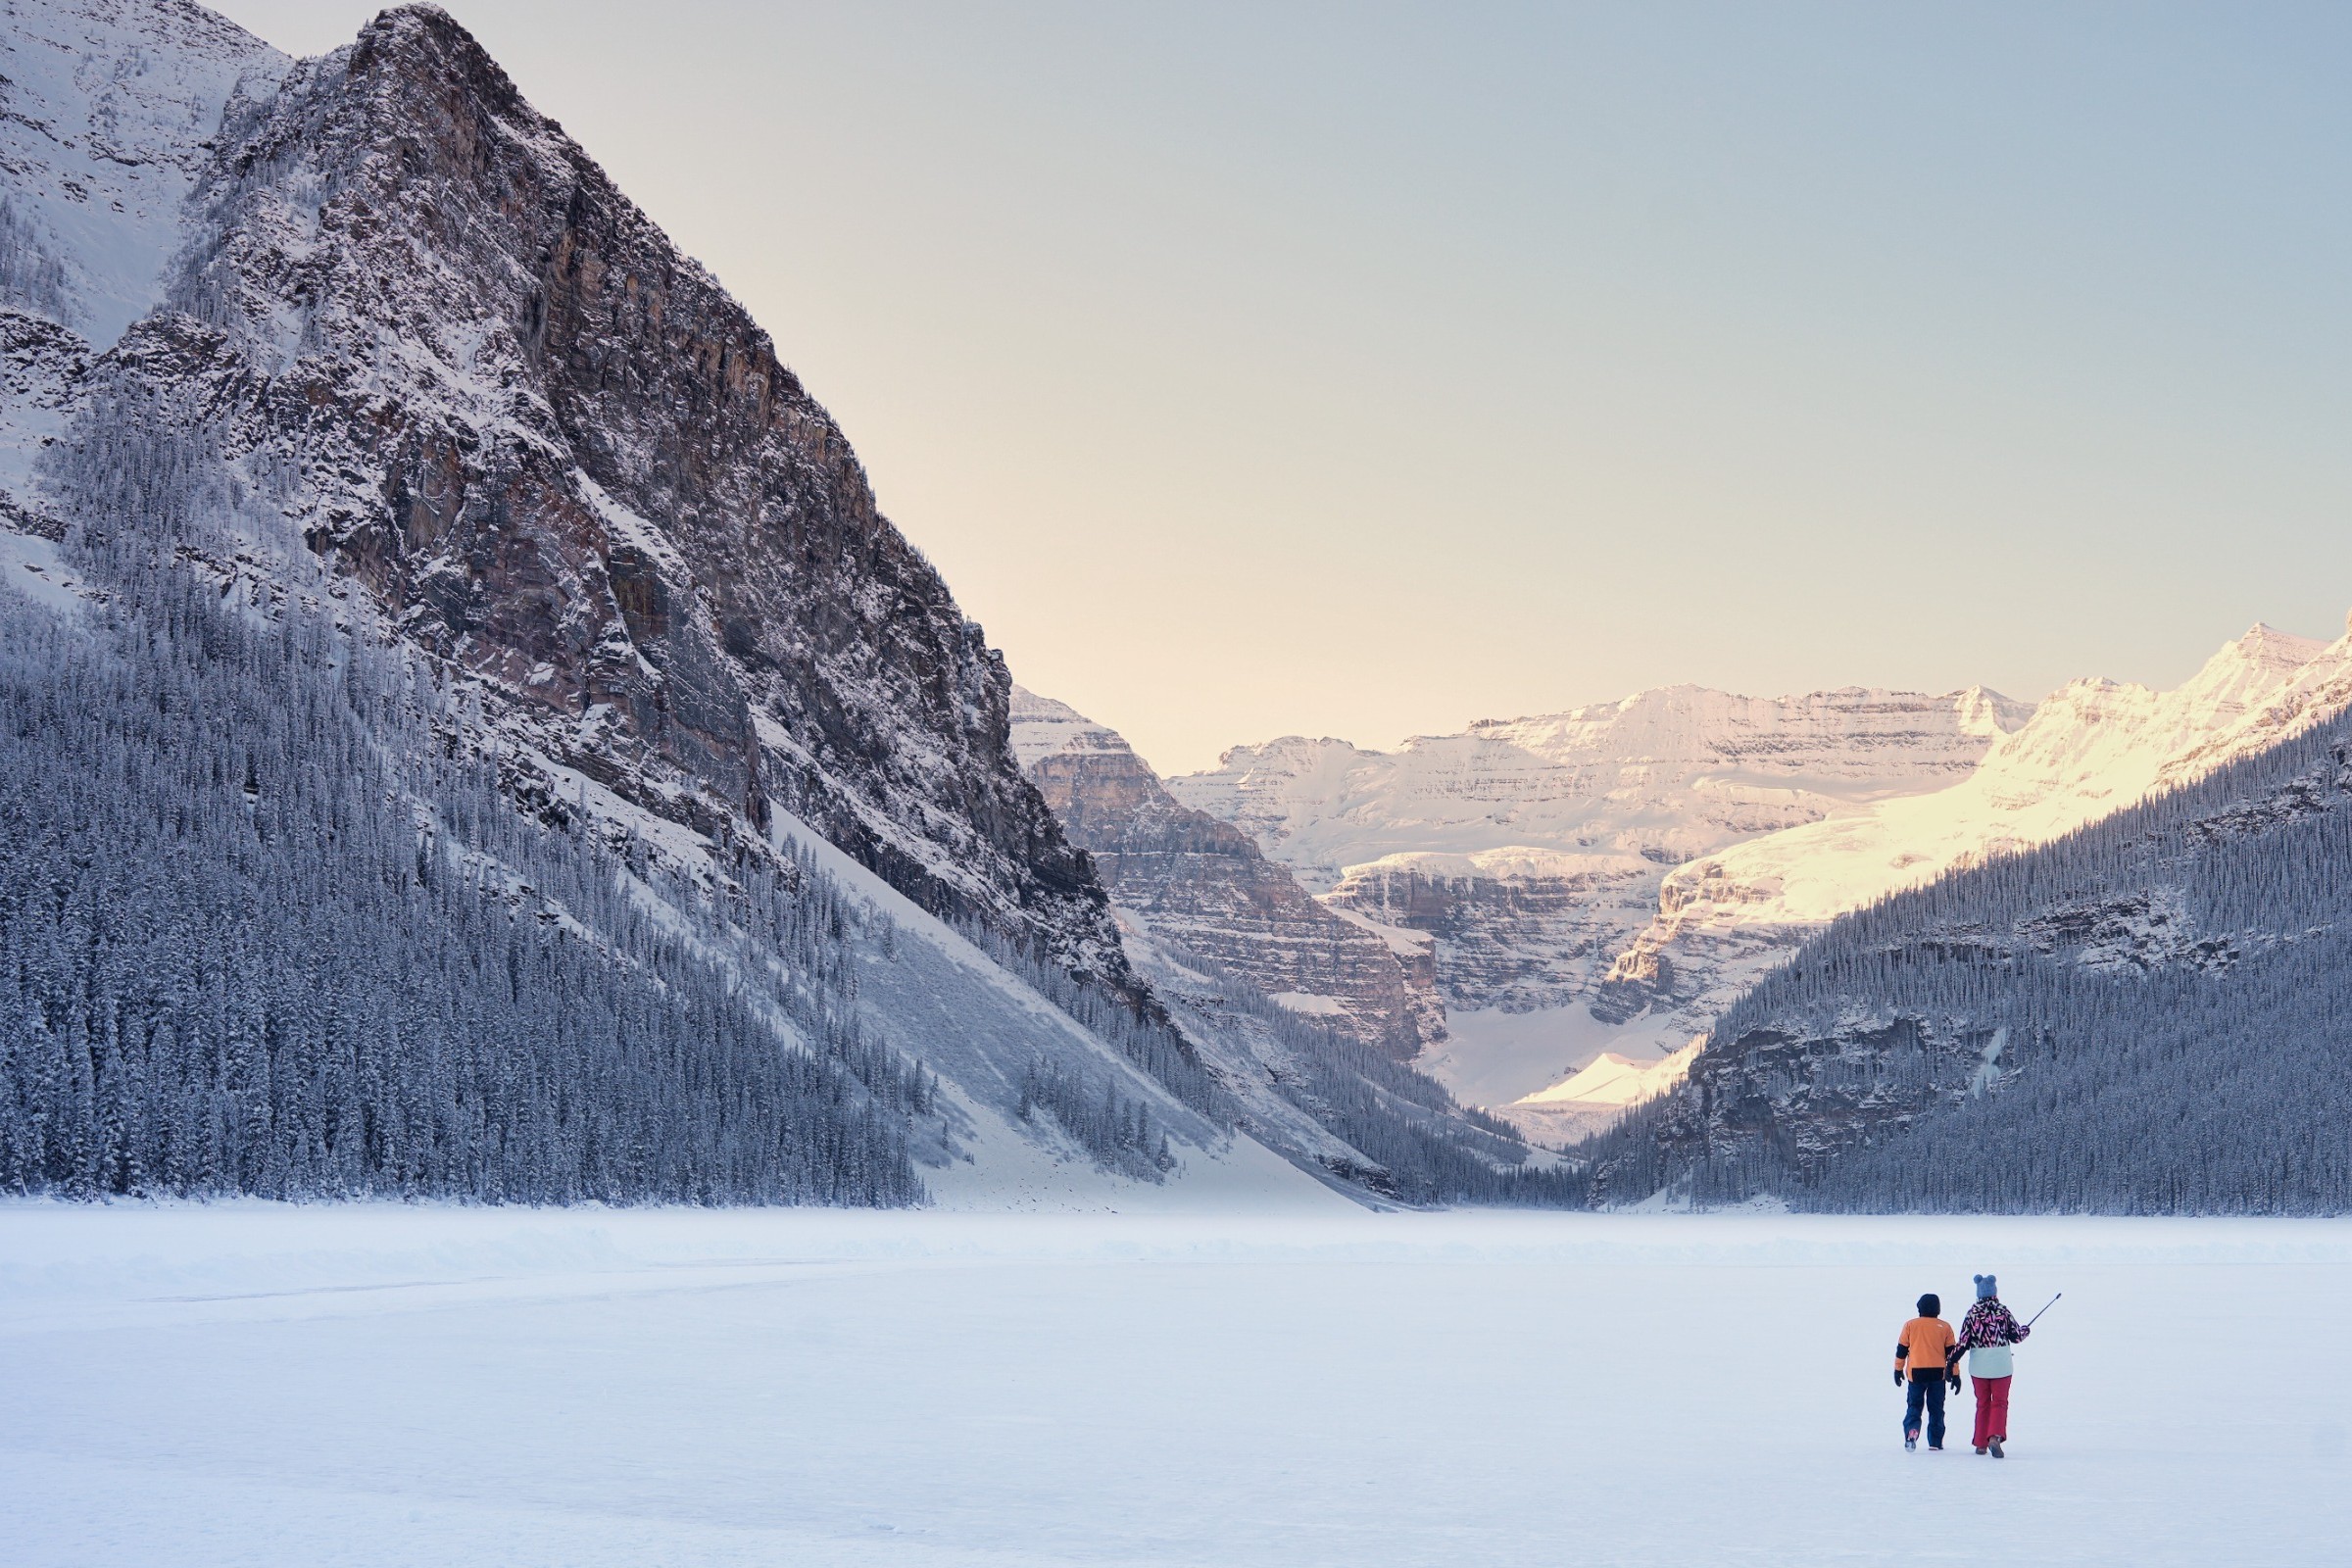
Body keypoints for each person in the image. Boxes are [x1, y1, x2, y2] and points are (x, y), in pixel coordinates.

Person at [1956, 1273, 2030, 1457]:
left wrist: (1951, 1362)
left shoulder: (1972, 1313)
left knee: (1982, 1403)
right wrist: (2025, 1330)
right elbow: (2016, 1336)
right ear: (1994, 1292)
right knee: (1999, 1402)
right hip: (2001, 1365)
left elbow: (1963, 1342)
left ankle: (1981, 1443)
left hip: (1979, 1367)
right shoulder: (2002, 1311)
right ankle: (1995, 1437)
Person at [1892, 1293, 1961, 1450]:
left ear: (1919, 1308)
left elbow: (1901, 1350)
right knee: (1936, 1408)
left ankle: (1912, 1431)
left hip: (1916, 1373)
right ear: (1938, 1309)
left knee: (1914, 1405)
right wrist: (1955, 1375)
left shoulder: (1910, 1325)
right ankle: (1935, 1442)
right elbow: (1952, 1355)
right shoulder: (1945, 1327)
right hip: (1938, 1374)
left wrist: (1898, 1369)